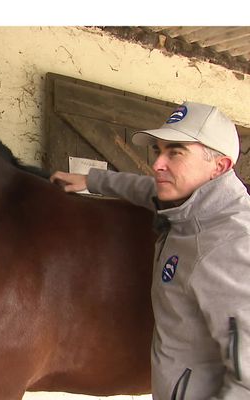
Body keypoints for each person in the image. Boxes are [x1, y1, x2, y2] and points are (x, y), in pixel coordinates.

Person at [50, 101, 250, 399]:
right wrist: (92, 180)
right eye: (158, 150)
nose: (157, 164)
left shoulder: (228, 246)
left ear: (219, 167)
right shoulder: (189, 204)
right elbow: (146, 191)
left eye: (176, 152)